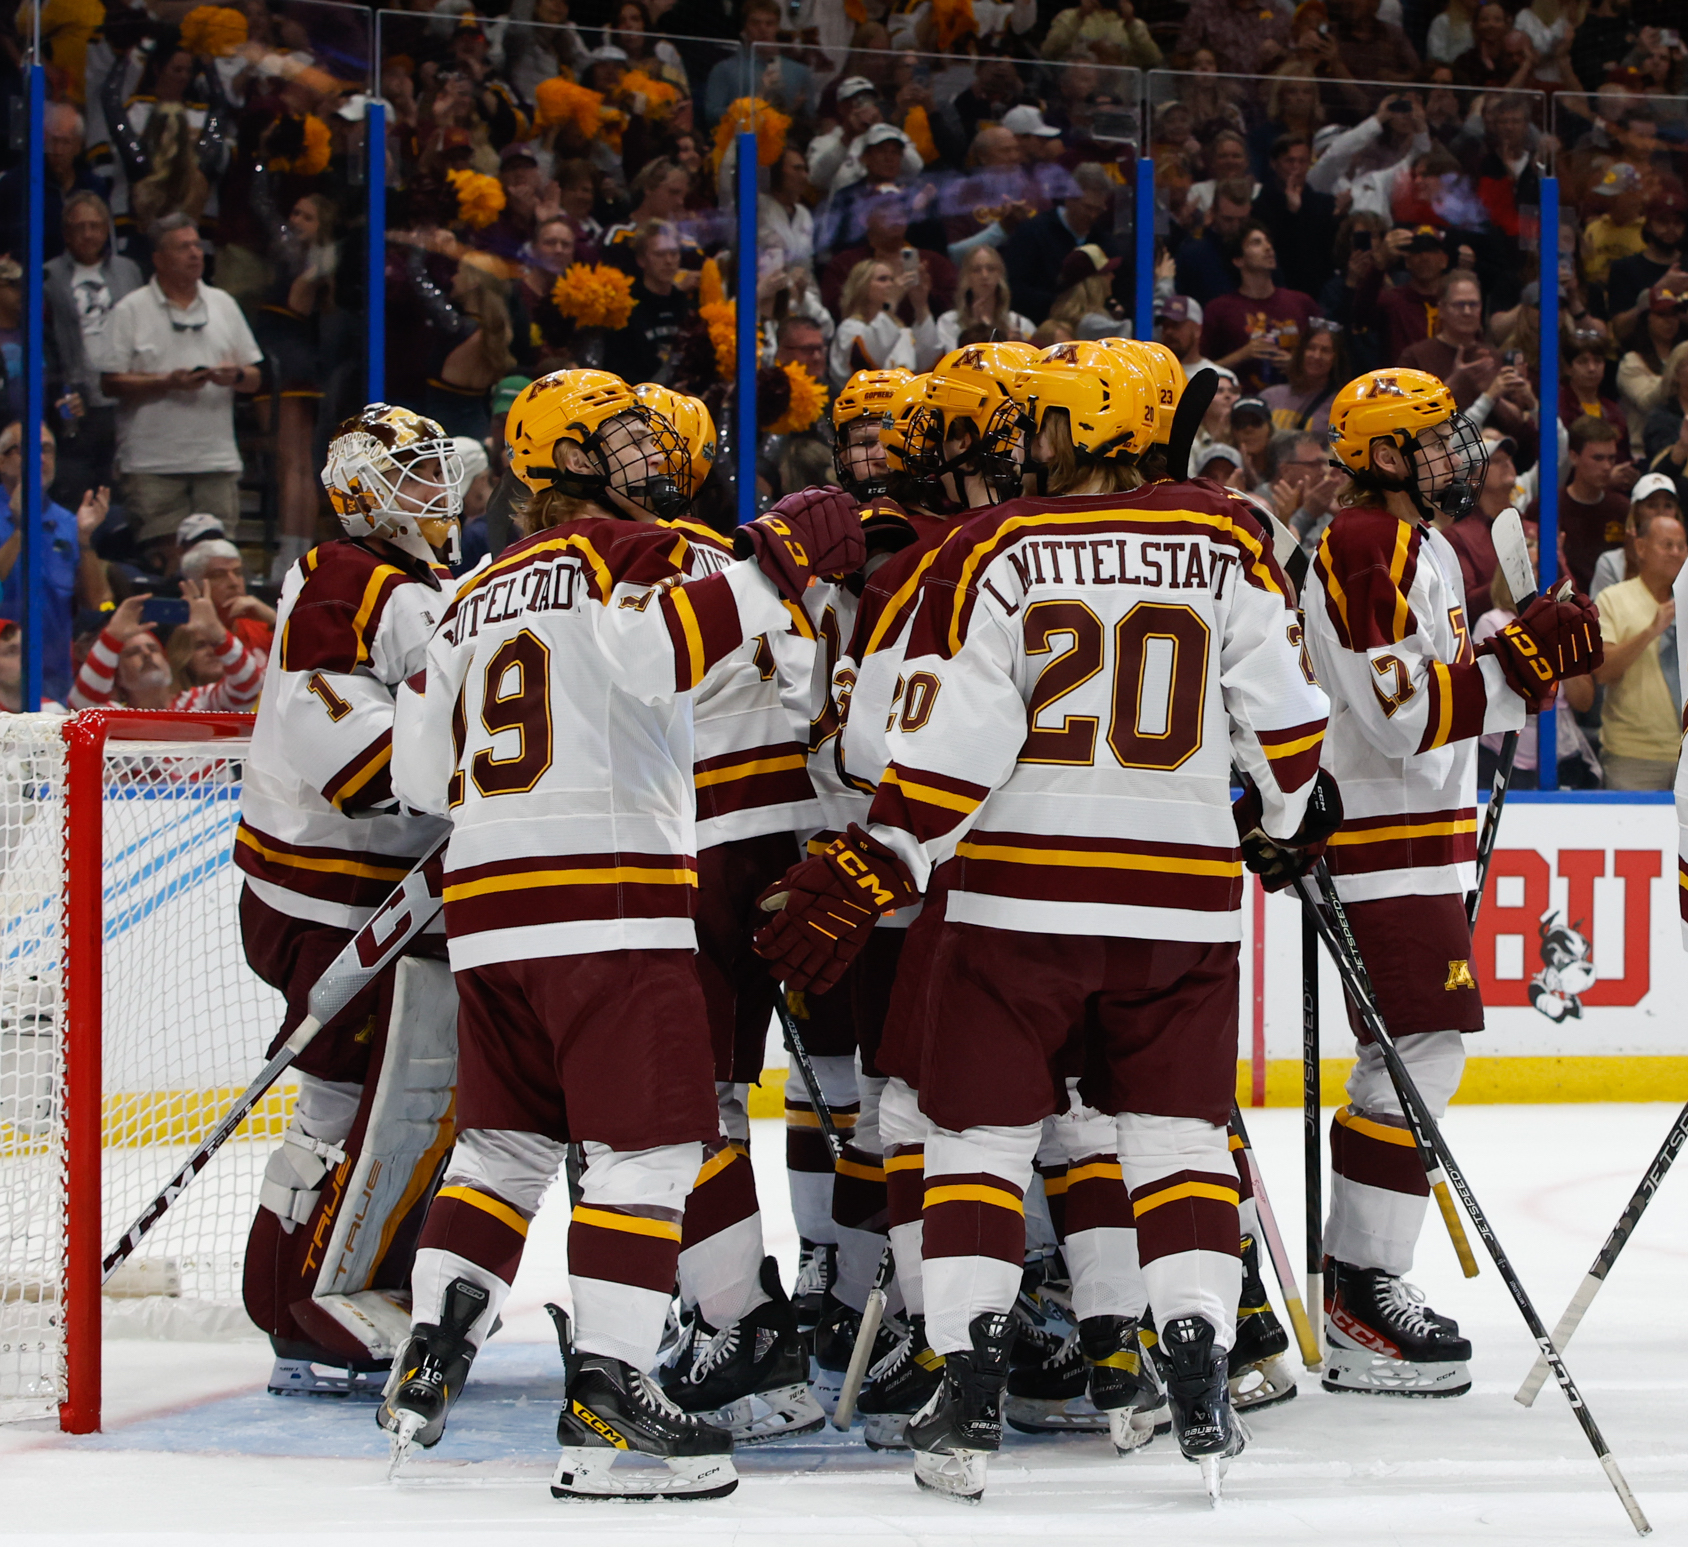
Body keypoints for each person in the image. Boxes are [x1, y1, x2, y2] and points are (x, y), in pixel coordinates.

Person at [754, 343, 1333, 1502]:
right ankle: (1197, 1366)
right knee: (1170, 1143)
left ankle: (963, 1382)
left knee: (975, 1140)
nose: (1032, 443)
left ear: (1079, 433)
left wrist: (885, 850)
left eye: (1047, 426)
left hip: (1018, 898)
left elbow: (951, 745)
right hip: (1177, 901)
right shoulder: (1227, 538)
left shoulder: (995, 544)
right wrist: (1280, 814)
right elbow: (1283, 732)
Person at [381, 371, 861, 1496]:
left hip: (487, 904)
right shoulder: (624, 554)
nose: (647, 456)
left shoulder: (465, 593)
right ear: (567, 464)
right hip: (611, 893)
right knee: (649, 1149)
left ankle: (431, 1352)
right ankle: (609, 1405)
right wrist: (770, 565)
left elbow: (416, 776)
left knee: (502, 1148)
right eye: (620, 440)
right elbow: (656, 657)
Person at [1301, 369, 1600, 1398]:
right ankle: (1359, 1294)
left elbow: (1437, 674)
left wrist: (1505, 648)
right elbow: (1393, 713)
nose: (1453, 455)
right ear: (1383, 456)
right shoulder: (1356, 543)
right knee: (1414, 1051)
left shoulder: (1418, 544)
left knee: (1416, 1050)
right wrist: (1510, 667)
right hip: (1376, 835)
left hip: (1415, 829)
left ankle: (1361, 1283)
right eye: (1428, 442)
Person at [232, 406, 464, 1401]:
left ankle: (320, 1285)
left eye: (437, 472)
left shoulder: (414, 582)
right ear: (363, 490)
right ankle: (304, 1296)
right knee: (360, 1096)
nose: (437, 492)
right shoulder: (346, 584)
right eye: (412, 478)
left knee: (374, 1097)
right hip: (333, 897)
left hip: (366, 890)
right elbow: (363, 767)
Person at [91, 213, 262, 563]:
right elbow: (109, 382)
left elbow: (256, 376)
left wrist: (235, 376)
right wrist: (166, 382)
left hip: (215, 461)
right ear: (158, 258)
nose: (195, 253)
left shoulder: (224, 305)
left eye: (197, 245)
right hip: (152, 465)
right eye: (183, 247)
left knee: (218, 563)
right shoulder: (130, 310)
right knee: (168, 564)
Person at [0, 420, 111, 702]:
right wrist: (20, 530)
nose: (40, 458)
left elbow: (97, 603)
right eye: (26, 449)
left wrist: (84, 540)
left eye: (47, 450)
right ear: (2, 461)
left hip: (54, 682)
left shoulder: (67, 522)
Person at [43, 191, 141, 506]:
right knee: (78, 484)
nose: (88, 234)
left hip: (123, 391)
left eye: (95, 226)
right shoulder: (49, 275)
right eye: (79, 227)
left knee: (120, 487)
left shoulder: (128, 271)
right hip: (77, 393)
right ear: (66, 233)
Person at [1593, 503, 1687, 790]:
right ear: (1641, 548)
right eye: (1667, 545)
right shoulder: (1612, 599)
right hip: (1632, 757)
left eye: (1682, 546)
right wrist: (1651, 631)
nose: (1676, 553)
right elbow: (1602, 672)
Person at [68, 581, 264, 712]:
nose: (146, 654)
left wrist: (218, 633)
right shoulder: (115, 714)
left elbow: (249, 685)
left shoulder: (201, 702)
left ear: (168, 662)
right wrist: (112, 637)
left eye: (153, 649)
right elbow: (82, 707)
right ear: (118, 677)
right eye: (133, 652)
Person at [1200, 222, 1322, 395]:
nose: (1268, 248)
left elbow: (1330, 357)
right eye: (1256, 243)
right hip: (1241, 406)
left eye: (1268, 242)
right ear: (1238, 260)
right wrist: (1242, 355)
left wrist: (1298, 364)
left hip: (1298, 403)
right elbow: (1200, 371)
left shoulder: (1302, 303)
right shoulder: (1219, 309)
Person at [1001, 164, 1115, 329]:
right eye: (1088, 208)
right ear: (1069, 199)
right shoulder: (1033, 233)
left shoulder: (1103, 241)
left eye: (1099, 209)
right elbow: (1016, 289)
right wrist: (1065, 304)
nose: (1093, 216)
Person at [1528, 417, 1630, 594]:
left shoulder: (1622, 508)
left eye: (1611, 458)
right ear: (1574, 457)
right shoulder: (1544, 509)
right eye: (1598, 458)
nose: (1607, 466)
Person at [605, 221, 696, 386]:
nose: (668, 261)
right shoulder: (625, 306)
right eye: (660, 254)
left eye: (674, 253)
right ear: (641, 260)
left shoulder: (687, 305)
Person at [176, 511, 276, 656]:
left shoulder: (265, 626)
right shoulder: (185, 636)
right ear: (194, 585)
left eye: (238, 573)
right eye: (218, 575)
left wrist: (274, 619)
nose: (234, 583)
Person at [830, 259, 929, 391]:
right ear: (862, 285)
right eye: (883, 279)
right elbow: (869, 358)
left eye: (892, 279)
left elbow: (928, 362)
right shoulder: (850, 328)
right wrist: (891, 303)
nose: (891, 285)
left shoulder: (902, 330)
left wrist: (920, 305)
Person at [930, 246, 1033, 364]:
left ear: (1000, 275)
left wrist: (1018, 348)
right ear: (966, 277)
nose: (984, 275)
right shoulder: (948, 322)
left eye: (991, 269)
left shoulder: (1020, 323)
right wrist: (976, 333)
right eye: (976, 270)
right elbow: (954, 363)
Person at [1617, 286, 1688, 446]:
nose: (1669, 321)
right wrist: (1676, 375)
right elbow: (1646, 402)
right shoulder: (1631, 362)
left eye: (1674, 314)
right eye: (1661, 314)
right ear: (1645, 318)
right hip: (1642, 449)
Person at [1261, 321, 1343, 438]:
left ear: (1336, 358)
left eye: (1325, 351)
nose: (1316, 356)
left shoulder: (1339, 407)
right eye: (1311, 348)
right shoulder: (1269, 397)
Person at [1157, 295, 1214, 374]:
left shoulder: (1220, 378)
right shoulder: (1152, 376)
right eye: (1165, 325)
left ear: (1197, 329)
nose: (1168, 331)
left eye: (1175, 324)